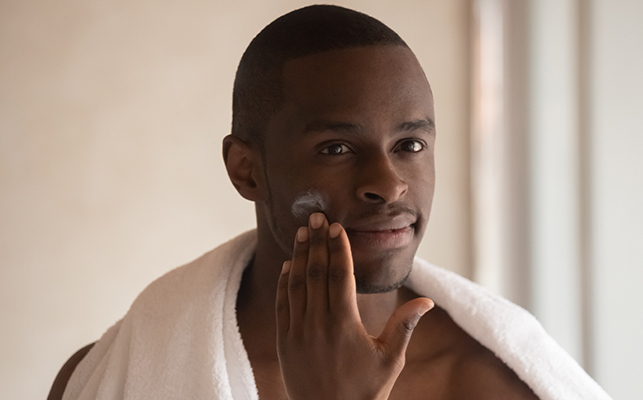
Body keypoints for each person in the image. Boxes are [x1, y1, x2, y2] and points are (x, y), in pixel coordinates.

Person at [48, 5, 610, 400]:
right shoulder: (108, 380)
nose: (389, 185)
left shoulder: (489, 381)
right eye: (337, 148)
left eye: (410, 145)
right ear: (247, 169)